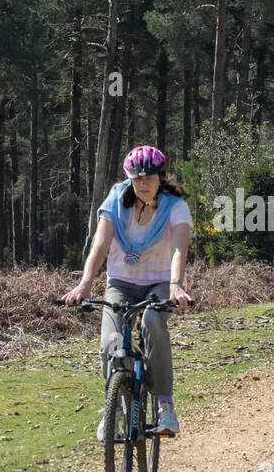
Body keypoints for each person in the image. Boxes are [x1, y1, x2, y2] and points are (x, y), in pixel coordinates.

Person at [61, 145, 194, 439]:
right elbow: (100, 244)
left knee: (151, 322)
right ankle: (115, 409)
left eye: (149, 178)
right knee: (110, 339)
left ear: (160, 177)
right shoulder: (116, 201)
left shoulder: (176, 207)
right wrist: (85, 284)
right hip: (121, 282)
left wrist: (175, 284)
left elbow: (178, 251)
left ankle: (165, 407)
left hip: (160, 283)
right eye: (137, 179)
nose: (143, 185)